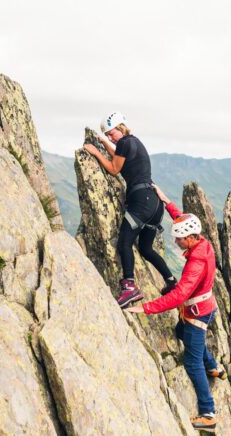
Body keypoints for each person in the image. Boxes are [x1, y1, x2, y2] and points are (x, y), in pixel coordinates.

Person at [126, 185, 226, 432]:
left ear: (190, 239)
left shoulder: (196, 261)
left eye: (179, 238)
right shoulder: (201, 243)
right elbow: (183, 221)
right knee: (181, 334)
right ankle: (214, 367)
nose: (176, 241)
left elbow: (180, 294)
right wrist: (167, 202)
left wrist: (146, 308)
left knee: (192, 363)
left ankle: (208, 414)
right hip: (204, 307)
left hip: (197, 314)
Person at [83, 112, 177, 307]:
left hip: (140, 202)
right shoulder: (132, 142)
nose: (110, 137)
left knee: (124, 242)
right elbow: (118, 155)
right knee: (145, 249)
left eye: (110, 133)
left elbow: (114, 168)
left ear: (120, 127)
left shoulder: (125, 142)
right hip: (154, 205)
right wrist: (104, 142)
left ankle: (129, 287)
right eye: (107, 135)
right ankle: (171, 281)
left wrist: (96, 152)